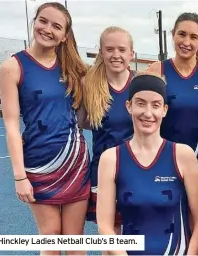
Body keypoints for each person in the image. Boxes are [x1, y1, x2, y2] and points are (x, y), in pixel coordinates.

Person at [0, 2, 89, 255]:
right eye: (43, 21)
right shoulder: (13, 67)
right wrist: (20, 177)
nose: (47, 29)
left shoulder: (74, 69)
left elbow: (89, 115)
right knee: (50, 238)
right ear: (34, 21)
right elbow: (11, 125)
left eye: (56, 26)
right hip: (39, 164)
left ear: (64, 36)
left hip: (75, 162)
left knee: (74, 240)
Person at [96, 74, 198, 255]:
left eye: (155, 105)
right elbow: (105, 226)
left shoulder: (183, 155)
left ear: (165, 110)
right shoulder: (111, 159)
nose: (148, 113)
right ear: (128, 106)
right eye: (140, 103)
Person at [146, 12, 198, 182]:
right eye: (181, 34)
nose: (186, 42)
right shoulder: (157, 70)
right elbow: (140, 112)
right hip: (164, 160)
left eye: (194, 37)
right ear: (173, 34)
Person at [78, 26, 136, 235]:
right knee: (109, 231)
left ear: (132, 54)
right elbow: (79, 123)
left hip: (138, 170)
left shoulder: (140, 84)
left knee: (137, 228)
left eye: (122, 49)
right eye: (109, 49)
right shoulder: (89, 84)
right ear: (101, 52)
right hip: (103, 172)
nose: (116, 55)